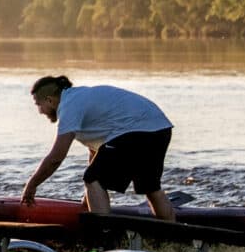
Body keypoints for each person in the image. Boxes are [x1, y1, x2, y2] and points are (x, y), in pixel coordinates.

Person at [20, 75, 177, 221]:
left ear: (49, 100)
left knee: (93, 178)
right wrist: (89, 198)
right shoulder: (79, 98)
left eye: (38, 105)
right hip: (159, 128)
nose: (40, 111)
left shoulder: (69, 107)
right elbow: (98, 153)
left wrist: (31, 185)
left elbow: (56, 157)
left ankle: (102, 238)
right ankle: (174, 239)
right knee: (150, 186)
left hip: (135, 131)